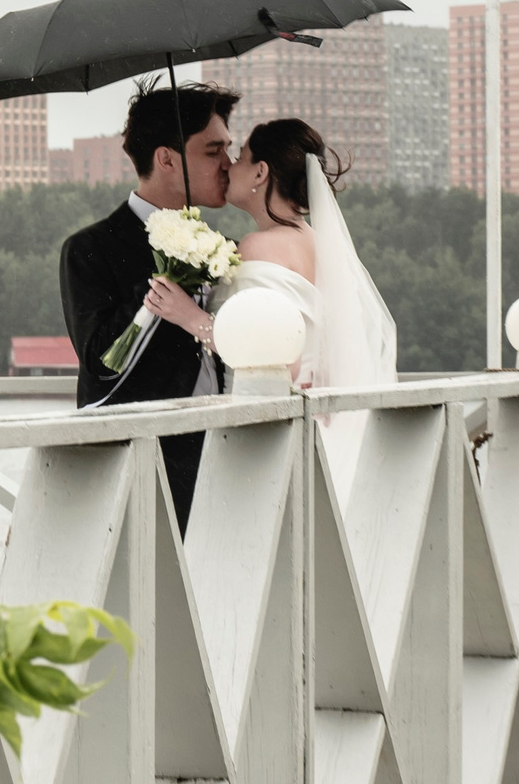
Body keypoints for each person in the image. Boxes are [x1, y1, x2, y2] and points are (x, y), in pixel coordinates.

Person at [60, 80, 237, 525]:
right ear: (166, 160)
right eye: (213, 152)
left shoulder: (223, 247)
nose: (229, 165)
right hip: (136, 476)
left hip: (229, 466)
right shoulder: (91, 248)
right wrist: (164, 274)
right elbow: (101, 363)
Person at [218, 117, 398, 485]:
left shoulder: (259, 246)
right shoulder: (319, 243)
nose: (230, 166)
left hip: (275, 430)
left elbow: (277, 359)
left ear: (260, 173)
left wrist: (190, 318)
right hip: (322, 425)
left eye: (240, 157)